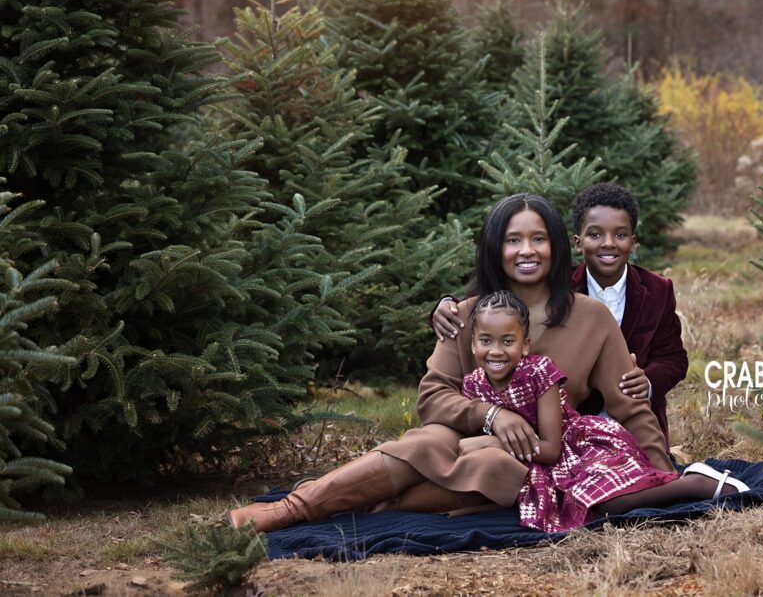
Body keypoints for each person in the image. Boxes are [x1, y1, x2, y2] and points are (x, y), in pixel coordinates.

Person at [227, 193, 674, 533]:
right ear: (495, 248)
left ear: (557, 246)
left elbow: (629, 404)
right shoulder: (464, 313)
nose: (527, 250)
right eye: (513, 239)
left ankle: (381, 506)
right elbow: (433, 396)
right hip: (458, 431)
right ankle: (291, 510)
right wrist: (491, 415)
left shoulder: (589, 317)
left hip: (530, 453)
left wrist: (662, 475)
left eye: (538, 239)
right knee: (426, 444)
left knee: (497, 465)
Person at [460, 290, 744, 533]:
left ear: (525, 345)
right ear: (473, 344)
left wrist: (495, 444)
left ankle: (696, 483)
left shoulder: (539, 372)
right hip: (536, 467)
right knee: (581, 507)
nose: (496, 351)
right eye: (486, 341)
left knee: (603, 503)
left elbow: (551, 448)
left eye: (507, 341)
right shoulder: (473, 386)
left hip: (578, 448)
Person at [432, 182, 688, 444]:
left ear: (633, 242)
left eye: (620, 235)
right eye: (596, 235)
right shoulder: (556, 281)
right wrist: (445, 305)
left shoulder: (657, 289)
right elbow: (495, 304)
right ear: (577, 242)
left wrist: (647, 382)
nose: (608, 244)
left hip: (625, 407)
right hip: (572, 416)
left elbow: (674, 358)